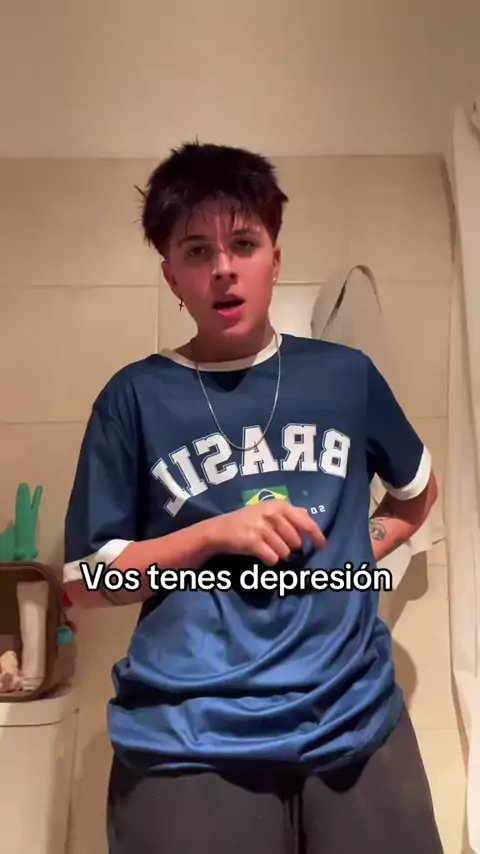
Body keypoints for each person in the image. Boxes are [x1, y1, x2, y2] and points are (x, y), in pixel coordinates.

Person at [63, 141, 444, 854]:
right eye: (197, 251)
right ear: (171, 275)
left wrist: (355, 552)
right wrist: (214, 534)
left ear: (275, 257)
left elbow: (416, 494)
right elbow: (86, 583)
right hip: (190, 737)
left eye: (243, 244)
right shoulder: (134, 397)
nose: (224, 269)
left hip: (356, 720)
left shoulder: (345, 377)